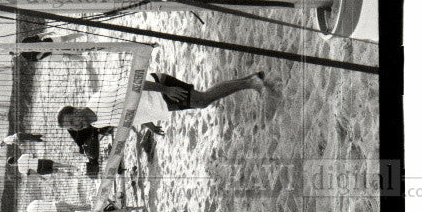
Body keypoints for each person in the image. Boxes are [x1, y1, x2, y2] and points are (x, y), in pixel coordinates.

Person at [57, 70, 272, 141]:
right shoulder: (95, 125)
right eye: (72, 128)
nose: (76, 128)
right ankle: (250, 79)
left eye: (72, 122)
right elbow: (127, 115)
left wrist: (166, 89)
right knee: (202, 100)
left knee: (203, 100)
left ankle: (250, 83)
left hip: (159, 89)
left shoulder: (98, 101)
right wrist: (148, 124)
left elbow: (135, 83)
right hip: (158, 105)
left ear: (75, 110)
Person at [8, 153, 75, 177]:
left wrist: (40, 177)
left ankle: (66, 173)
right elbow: (34, 155)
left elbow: (31, 172)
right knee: (58, 165)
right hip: (40, 162)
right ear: (15, 158)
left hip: (39, 170)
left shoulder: (20, 170)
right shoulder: (23, 157)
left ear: (13, 165)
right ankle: (73, 167)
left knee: (55, 171)